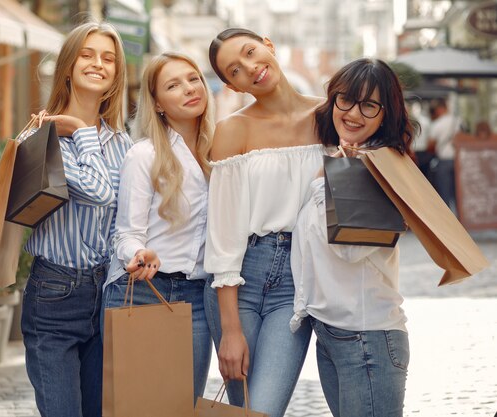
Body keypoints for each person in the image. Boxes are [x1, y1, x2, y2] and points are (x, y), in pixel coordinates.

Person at [203, 28, 324, 417]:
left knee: (265, 408)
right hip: (241, 277)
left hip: (297, 278)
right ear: (231, 85)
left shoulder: (329, 117)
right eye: (235, 70)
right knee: (248, 410)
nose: (251, 67)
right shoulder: (232, 130)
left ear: (269, 46)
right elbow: (222, 233)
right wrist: (230, 329)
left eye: (252, 52)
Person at [290, 58, 415, 417]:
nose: (354, 113)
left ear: (385, 113)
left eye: (369, 105)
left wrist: (341, 176)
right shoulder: (340, 160)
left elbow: (352, 248)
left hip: (368, 337)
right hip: (333, 334)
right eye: (346, 99)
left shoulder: (383, 165)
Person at [21, 20, 132, 417]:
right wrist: (82, 131)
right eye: (86, 55)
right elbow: (99, 193)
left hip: (109, 294)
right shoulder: (39, 136)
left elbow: (127, 216)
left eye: (108, 58)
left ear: (117, 73)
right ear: (68, 65)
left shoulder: (124, 143)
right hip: (54, 295)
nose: (97, 64)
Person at [102, 52, 214, 401]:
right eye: (173, 85)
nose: (188, 88)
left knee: (182, 406)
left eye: (193, 78)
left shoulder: (222, 150)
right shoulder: (144, 155)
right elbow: (126, 232)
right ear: (158, 104)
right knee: (141, 407)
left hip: (198, 296)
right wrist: (139, 254)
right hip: (145, 291)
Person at [427, 98, 462, 211]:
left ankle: (447, 220)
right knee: (459, 193)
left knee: (444, 192)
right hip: (459, 161)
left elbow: (430, 146)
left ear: (439, 109)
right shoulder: (459, 121)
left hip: (443, 161)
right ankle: (461, 217)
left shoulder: (437, 124)